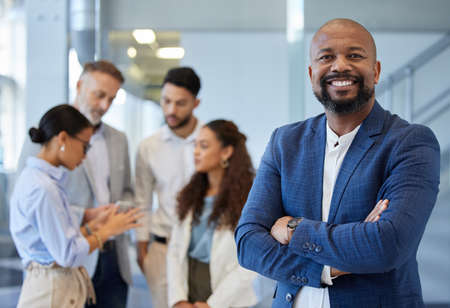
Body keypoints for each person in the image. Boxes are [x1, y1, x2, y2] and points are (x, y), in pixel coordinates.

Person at [235, 18, 440, 308]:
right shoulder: (285, 142)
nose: (339, 66)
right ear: (311, 73)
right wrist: (325, 270)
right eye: (326, 57)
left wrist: (294, 228)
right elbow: (247, 243)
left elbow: (388, 244)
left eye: (354, 55)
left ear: (376, 70)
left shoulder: (409, 142)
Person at [17, 60, 134, 308]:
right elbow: (63, 248)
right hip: (65, 266)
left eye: (111, 99)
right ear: (80, 85)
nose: (104, 105)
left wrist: (92, 216)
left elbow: (125, 190)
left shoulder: (119, 139)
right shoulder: (42, 161)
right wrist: (103, 229)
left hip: (109, 256)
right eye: (99, 95)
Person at [167, 120, 258, 308]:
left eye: (204, 146)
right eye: (196, 145)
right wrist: (179, 300)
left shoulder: (250, 198)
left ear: (226, 152)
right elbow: (175, 250)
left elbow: (252, 263)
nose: (196, 151)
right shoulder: (190, 194)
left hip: (228, 294)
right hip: (189, 287)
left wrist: (214, 305)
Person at [135, 67, 202, 307]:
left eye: (180, 103)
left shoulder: (211, 141)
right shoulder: (149, 147)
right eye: (166, 101)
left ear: (196, 103)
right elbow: (141, 200)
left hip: (202, 248)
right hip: (162, 248)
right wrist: (142, 250)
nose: (171, 110)